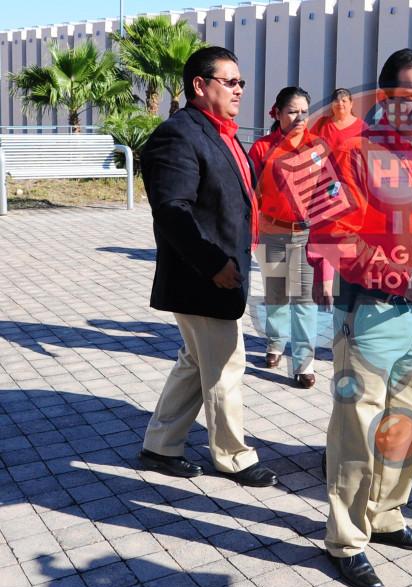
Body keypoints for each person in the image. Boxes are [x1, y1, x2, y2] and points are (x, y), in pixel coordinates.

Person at [308, 48, 412, 587]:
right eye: (410, 94)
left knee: (404, 426)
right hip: (370, 313)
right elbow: (332, 237)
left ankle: (388, 515)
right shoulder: (351, 154)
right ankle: (347, 539)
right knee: (357, 431)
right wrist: (399, 276)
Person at [138, 47, 277, 487]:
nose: (239, 90)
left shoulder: (221, 132)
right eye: (230, 81)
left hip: (222, 268)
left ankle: (160, 446)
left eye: (241, 83)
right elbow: (172, 210)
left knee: (196, 362)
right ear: (201, 85)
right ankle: (233, 456)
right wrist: (213, 262)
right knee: (225, 365)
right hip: (203, 274)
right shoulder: (178, 134)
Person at [249, 86, 321, 388]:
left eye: (304, 111)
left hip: (306, 236)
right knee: (276, 293)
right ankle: (275, 343)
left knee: (304, 300)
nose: (299, 117)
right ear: (276, 114)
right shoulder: (261, 149)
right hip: (271, 233)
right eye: (292, 111)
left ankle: (304, 364)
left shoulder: (319, 147)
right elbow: (250, 195)